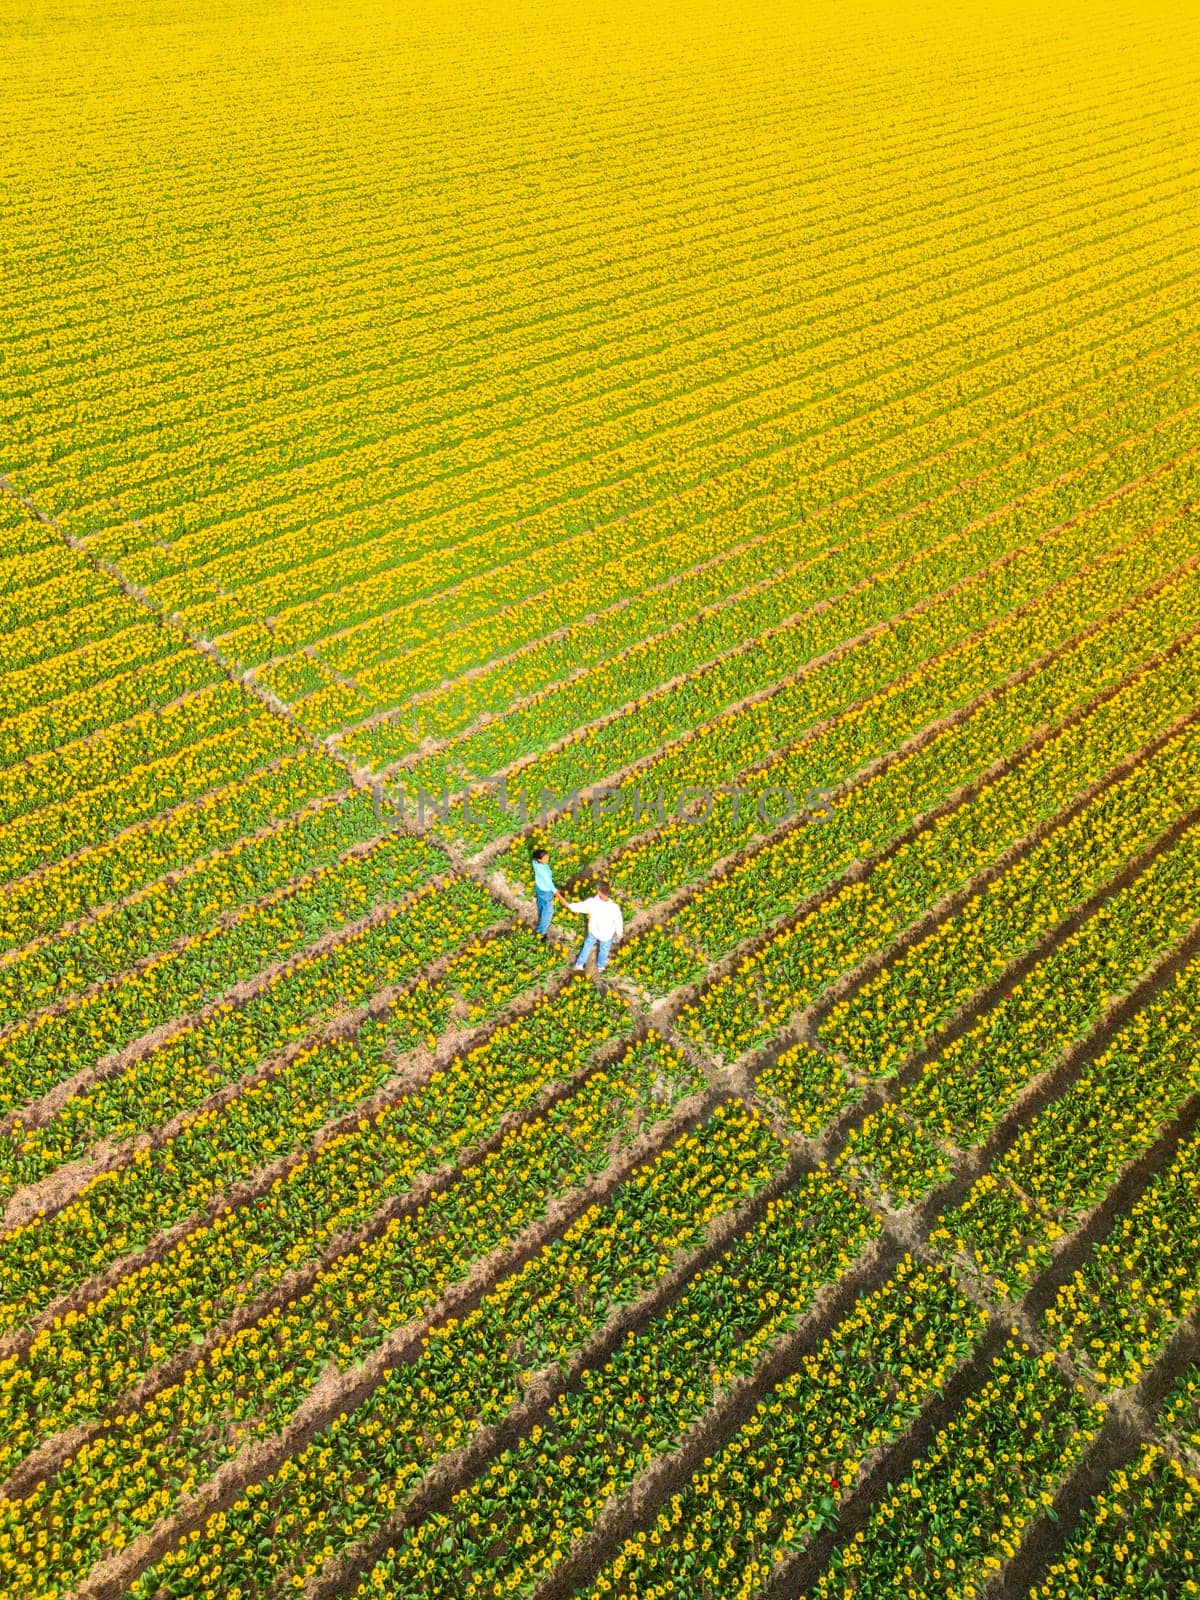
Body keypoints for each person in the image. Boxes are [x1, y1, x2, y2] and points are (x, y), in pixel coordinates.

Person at [566, 879, 624, 974]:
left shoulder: (592, 903)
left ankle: (579, 964)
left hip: (593, 931)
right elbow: (618, 921)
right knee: (604, 950)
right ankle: (601, 966)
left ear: (599, 891)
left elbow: (580, 907)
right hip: (606, 934)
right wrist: (619, 933)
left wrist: (570, 906)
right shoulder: (614, 907)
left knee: (588, 945)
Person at [531, 847, 562, 938]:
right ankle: (541, 932)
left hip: (539, 887)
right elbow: (550, 885)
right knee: (549, 911)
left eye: (547, 857)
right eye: (545, 858)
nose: (547, 859)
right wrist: (559, 895)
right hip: (546, 891)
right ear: (539, 859)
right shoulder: (543, 871)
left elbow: (534, 859)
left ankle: (541, 917)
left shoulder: (535, 862)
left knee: (541, 903)